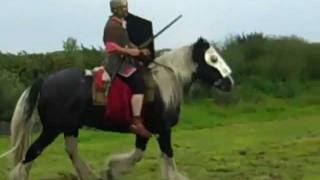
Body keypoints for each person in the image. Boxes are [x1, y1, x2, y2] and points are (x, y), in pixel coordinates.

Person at [103, 0, 152, 138]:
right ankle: (136, 121)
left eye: (126, 7)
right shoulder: (112, 26)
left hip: (124, 60)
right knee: (138, 84)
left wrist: (139, 50)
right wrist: (131, 52)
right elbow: (110, 47)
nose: (126, 10)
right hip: (117, 63)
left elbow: (125, 43)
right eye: (123, 8)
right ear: (115, 10)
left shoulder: (120, 24)